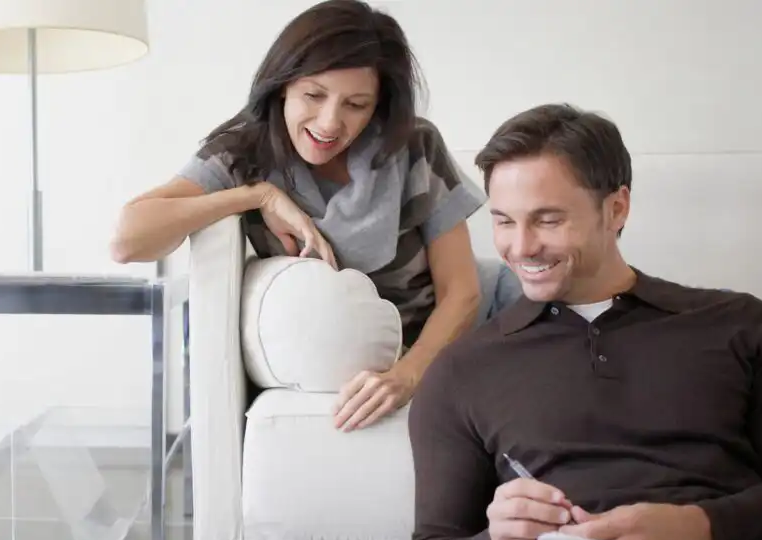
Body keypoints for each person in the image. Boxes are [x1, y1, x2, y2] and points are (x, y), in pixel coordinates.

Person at [406, 102, 762, 540]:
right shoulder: (463, 370)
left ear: (617, 208)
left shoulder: (742, 326)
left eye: (548, 219)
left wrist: (699, 528)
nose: (520, 246)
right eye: (504, 221)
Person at [110, 0, 520, 432]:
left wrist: (407, 376)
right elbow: (127, 240)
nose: (330, 122)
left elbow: (463, 292)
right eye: (314, 95)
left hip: (486, 318)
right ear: (282, 85)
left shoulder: (412, 145)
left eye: (356, 105)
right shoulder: (243, 154)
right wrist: (256, 196)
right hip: (367, 345)